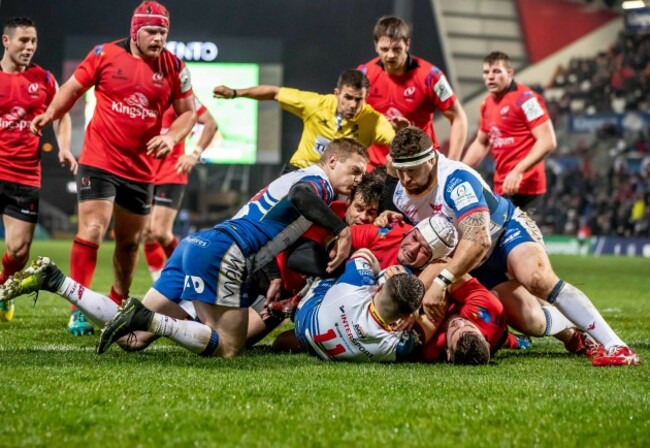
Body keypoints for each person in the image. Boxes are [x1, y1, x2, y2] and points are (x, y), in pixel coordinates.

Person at [382, 126, 640, 366]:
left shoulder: (455, 180)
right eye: (400, 171)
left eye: (412, 170)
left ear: (431, 159)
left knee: (537, 279)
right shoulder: (401, 194)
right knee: (532, 321)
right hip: (472, 262)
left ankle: (616, 346)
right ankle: (575, 337)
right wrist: (388, 217)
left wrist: (440, 282)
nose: (405, 179)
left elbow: (478, 239)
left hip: (504, 232)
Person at [30, 1, 197, 335]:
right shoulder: (104, 54)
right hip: (100, 158)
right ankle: (78, 307)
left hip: (141, 168)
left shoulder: (175, 68)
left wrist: (172, 136)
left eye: (163, 32)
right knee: (92, 229)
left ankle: (117, 299)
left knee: (129, 243)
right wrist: (50, 114)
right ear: (135, 30)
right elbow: (73, 89)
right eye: (152, 31)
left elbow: (188, 113)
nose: (158, 38)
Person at [0, 17, 76, 322]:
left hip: (24, 175)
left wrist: (64, 147)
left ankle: (3, 288)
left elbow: (61, 115)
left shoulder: (43, 79)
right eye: (23, 40)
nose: (29, 47)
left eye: (33, 41)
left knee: (18, 251)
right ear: (6, 41)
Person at [213, 69, 395, 172]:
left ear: (366, 97)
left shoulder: (373, 120)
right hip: (301, 171)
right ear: (337, 93)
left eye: (359, 99)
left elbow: (396, 141)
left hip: (339, 184)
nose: (353, 105)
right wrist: (236, 93)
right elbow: (275, 93)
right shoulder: (315, 104)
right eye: (348, 97)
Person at [357, 16, 468, 169]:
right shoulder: (363, 74)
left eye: (396, 49)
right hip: (376, 168)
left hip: (421, 164)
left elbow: (458, 117)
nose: (390, 55)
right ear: (376, 46)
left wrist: (453, 164)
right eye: (384, 49)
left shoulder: (431, 77)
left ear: (407, 44)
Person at [462, 51, 557, 213]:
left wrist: (518, 171)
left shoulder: (526, 99)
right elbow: (480, 143)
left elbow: (548, 141)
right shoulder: (487, 104)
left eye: (497, 71)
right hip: (503, 187)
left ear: (510, 73)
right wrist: (458, 170)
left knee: (524, 237)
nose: (490, 77)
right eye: (486, 72)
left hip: (527, 189)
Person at [293, 249, 425, 362]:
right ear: (407, 315)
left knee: (341, 261)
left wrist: (379, 275)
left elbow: (363, 253)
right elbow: (427, 325)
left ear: (380, 288)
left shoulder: (355, 285)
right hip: (320, 348)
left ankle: (298, 295)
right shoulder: (396, 346)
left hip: (304, 320)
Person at [143, 98, 217, 280]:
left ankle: (190, 274)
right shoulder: (144, 89)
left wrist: (194, 154)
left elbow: (210, 122)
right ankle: (159, 283)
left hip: (171, 172)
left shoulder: (182, 96)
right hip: (143, 171)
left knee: (159, 231)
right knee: (146, 233)